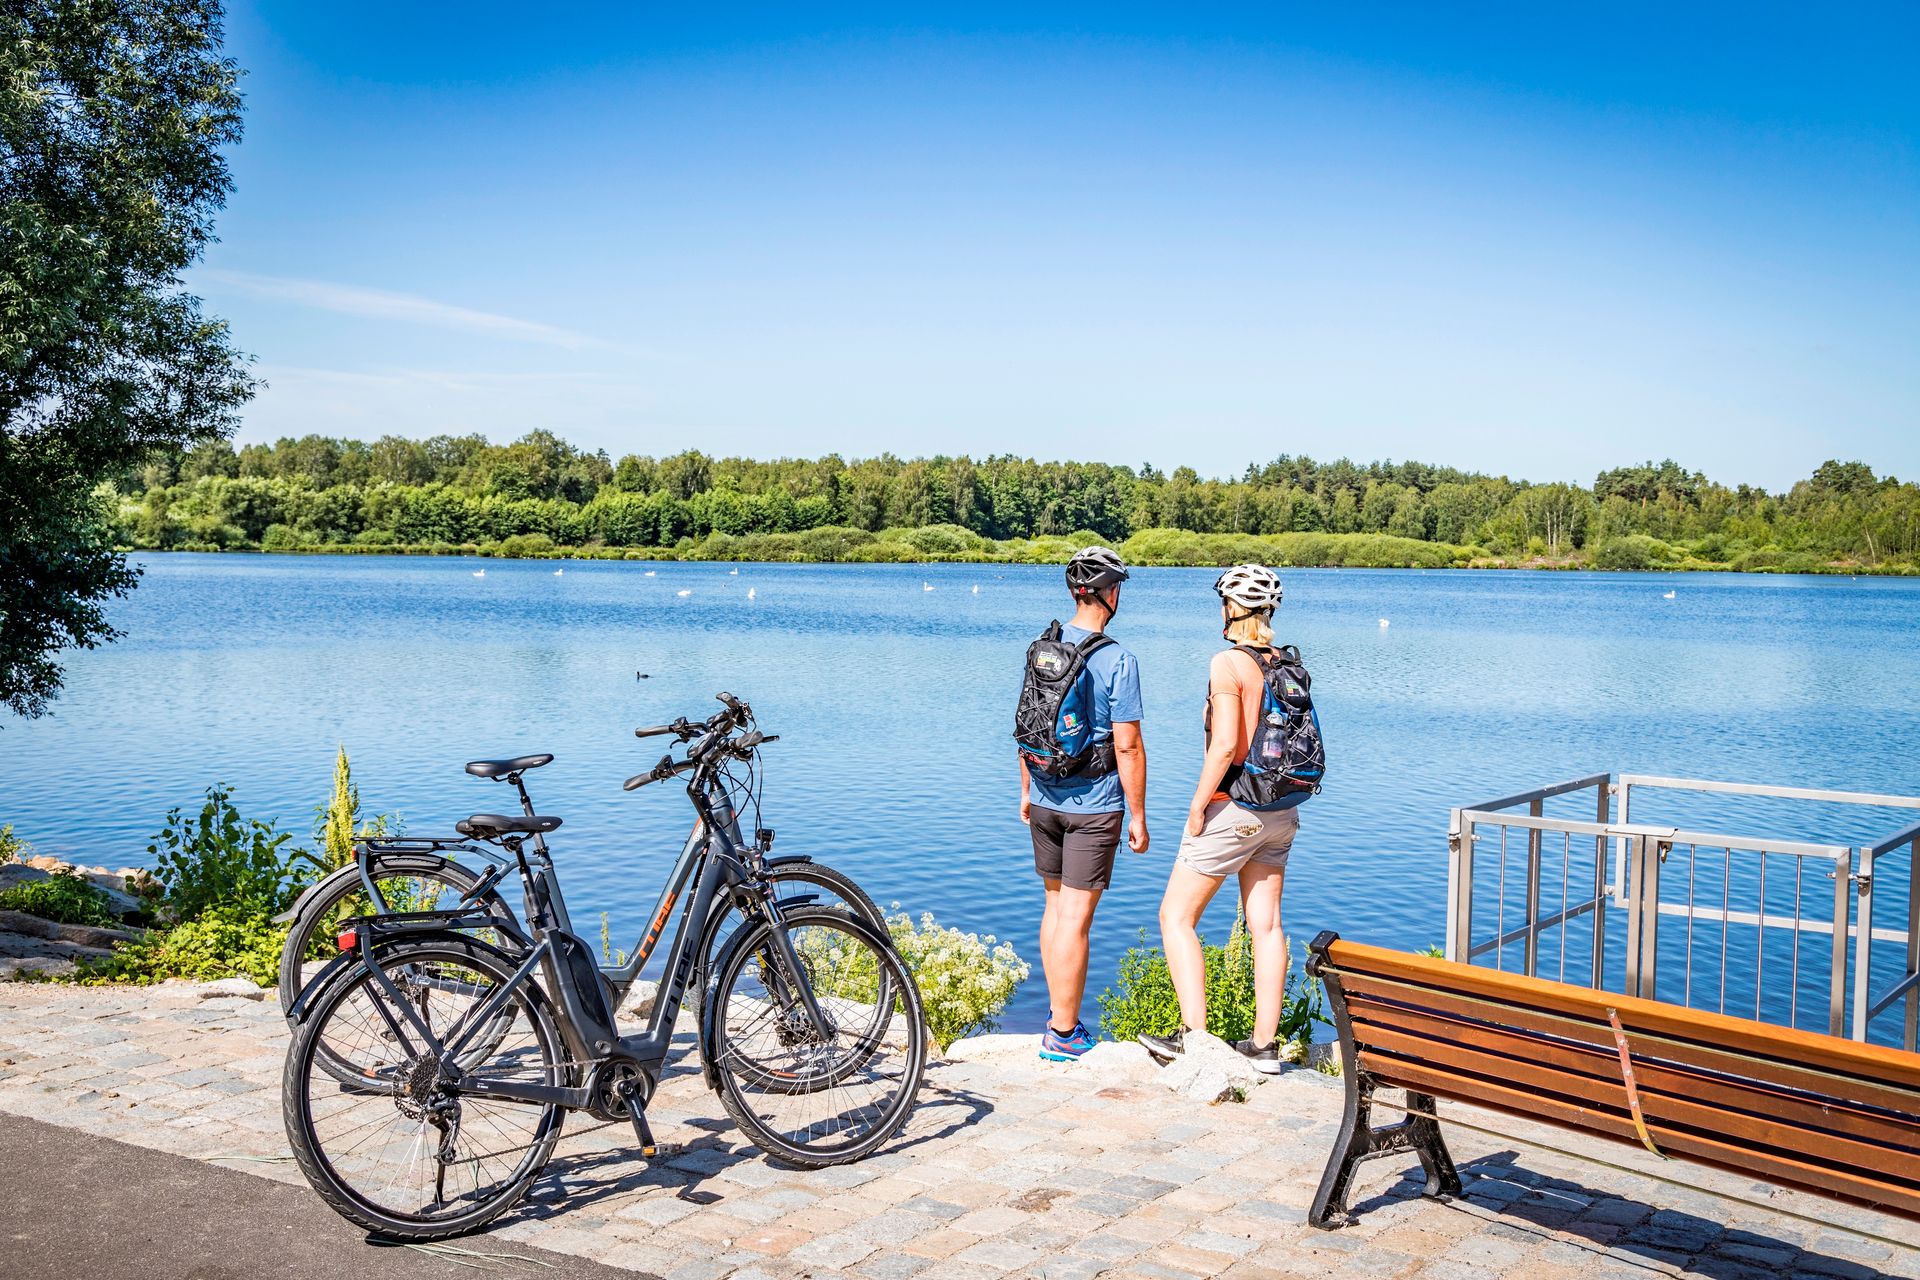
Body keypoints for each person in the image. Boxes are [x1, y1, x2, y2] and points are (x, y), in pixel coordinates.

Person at [1139, 563, 1297, 1073]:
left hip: (1236, 807)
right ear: (1268, 609)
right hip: (1281, 811)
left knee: (1175, 917)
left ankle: (1194, 1039)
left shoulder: (1229, 663)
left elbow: (1228, 743)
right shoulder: (1285, 662)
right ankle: (1265, 1047)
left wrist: (1197, 803)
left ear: (1230, 608)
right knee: (1267, 926)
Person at [1017, 546, 1148, 1062]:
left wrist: (1025, 791)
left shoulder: (1042, 650)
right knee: (1076, 920)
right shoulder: (1118, 659)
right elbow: (1128, 746)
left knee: (1054, 910)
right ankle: (1065, 1033)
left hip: (1046, 799)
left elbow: (1026, 727)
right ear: (1109, 594)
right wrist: (1137, 815)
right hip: (1094, 807)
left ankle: (1055, 1018)